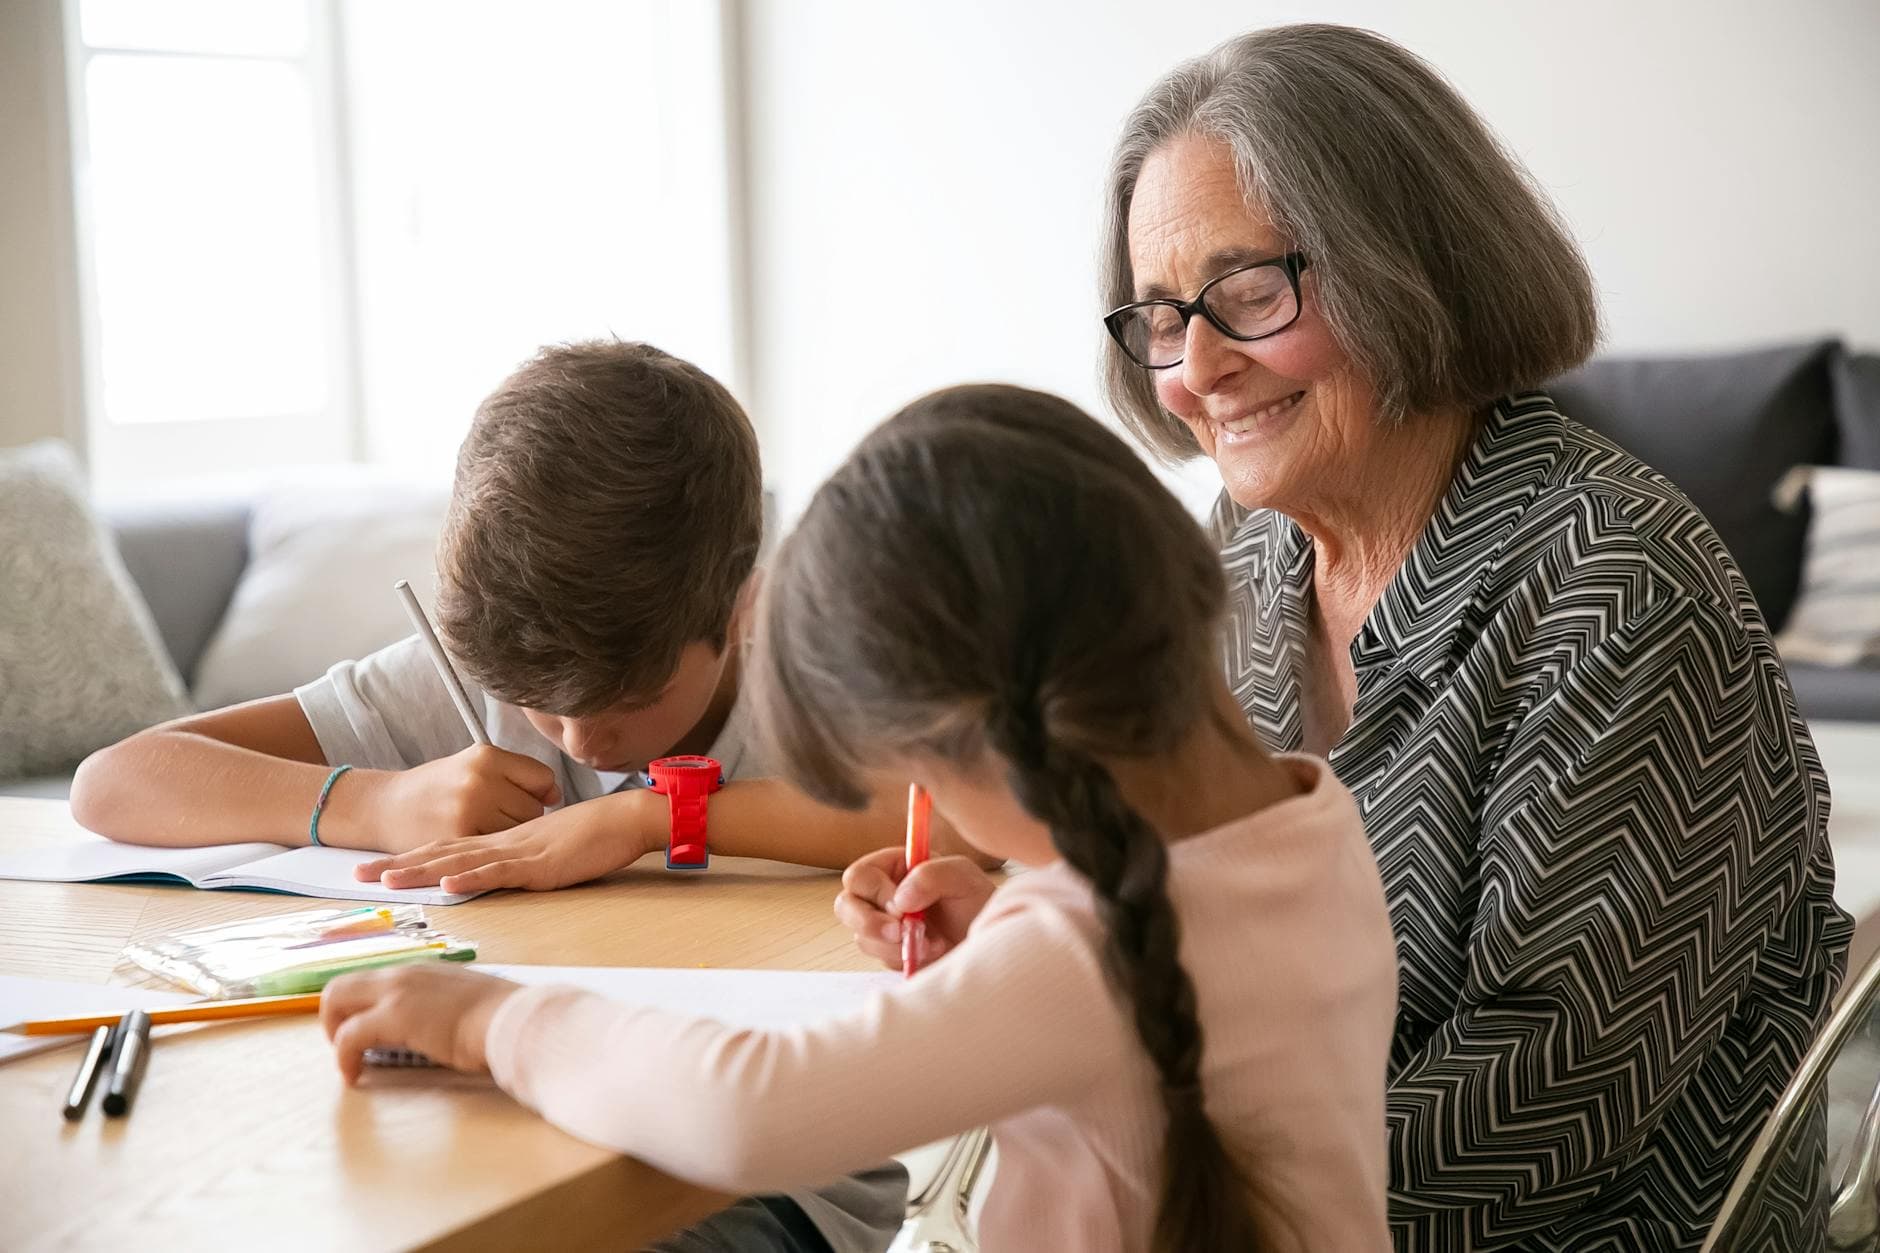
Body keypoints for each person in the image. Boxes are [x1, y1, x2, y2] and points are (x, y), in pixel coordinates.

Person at [320, 384, 1401, 1253]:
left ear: (997, 741)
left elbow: (751, 1108)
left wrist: (488, 1019)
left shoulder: (1082, 958)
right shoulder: (1312, 822)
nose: (921, 813)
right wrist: (997, 929)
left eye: (917, 779)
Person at [1098, 23, 1851, 1250]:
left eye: (1247, 294)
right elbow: (1173, 873)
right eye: (1162, 314)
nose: (1195, 370)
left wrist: (1182, 1197)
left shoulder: (1614, 581)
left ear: (1405, 264)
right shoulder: (1247, 546)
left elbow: (1543, 1103)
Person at [71, 339, 937, 1253]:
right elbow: (116, 781)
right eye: (540, 703)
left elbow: (961, 813)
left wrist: (645, 816)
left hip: (763, 1183)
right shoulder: (478, 672)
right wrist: (377, 799)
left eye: (628, 701)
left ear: (738, 609)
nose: (577, 739)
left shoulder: (806, 662)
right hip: (506, 1146)